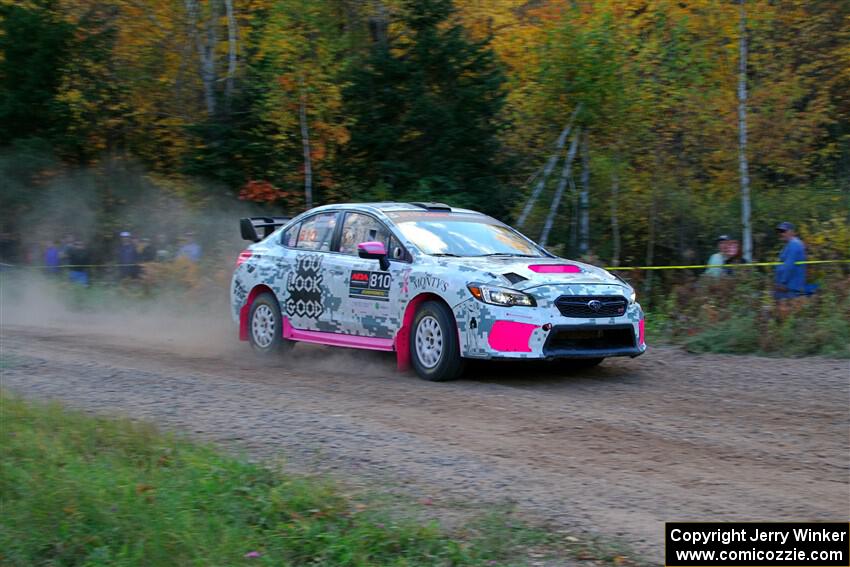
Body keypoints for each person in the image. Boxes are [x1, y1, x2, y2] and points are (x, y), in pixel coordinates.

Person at [774, 221, 807, 299]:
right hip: (789, 287)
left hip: (789, 288)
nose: (782, 234)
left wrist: (782, 282)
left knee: (783, 310)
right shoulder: (791, 244)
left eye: (784, 231)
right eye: (780, 232)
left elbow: (788, 265)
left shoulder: (794, 244)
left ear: (791, 231)